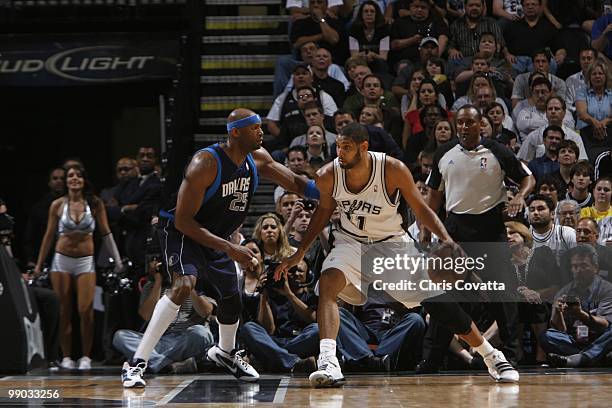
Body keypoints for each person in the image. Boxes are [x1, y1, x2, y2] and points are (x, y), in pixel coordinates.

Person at [276, 121, 519, 387]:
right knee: (328, 282)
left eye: (346, 148)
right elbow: (323, 213)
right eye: (338, 147)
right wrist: (299, 252)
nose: (340, 153)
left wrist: (446, 239)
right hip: (351, 242)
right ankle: (328, 362)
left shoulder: (392, 170)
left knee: (437, 302)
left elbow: (422, 208)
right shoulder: (328, 174)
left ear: (364, 147)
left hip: (391, 243)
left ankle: (491, 355)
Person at [120, 109, 320, 388]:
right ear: (236, 132)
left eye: (262, 127)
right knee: (183, 286)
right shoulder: (205, 163)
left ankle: (225, 352)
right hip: (181, 232)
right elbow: (183, 220)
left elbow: (297, 182)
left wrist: (331, 192)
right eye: (255, 128)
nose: (262, 132)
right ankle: (136, 364)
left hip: (218, 236)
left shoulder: (258, 159)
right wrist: (230, 247)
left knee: (232, 300)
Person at [423, 104, 533, 379]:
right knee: (446, 296)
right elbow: (434, 196)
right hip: (455, 229)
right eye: (459, 123)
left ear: (480, 124)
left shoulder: (498, 151)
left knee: (502, 293)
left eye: (469, 123)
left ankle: (510, 355)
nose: (463, 127)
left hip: (490, 227)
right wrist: (427, 229)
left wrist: (520, 196)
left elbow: (528, 177)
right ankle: (432, 358)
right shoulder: (443, 153)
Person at [35, 164, 123, 370]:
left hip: (85, 260)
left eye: (78, 176)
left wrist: (118, 261)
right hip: (61, 260)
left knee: (85, 310)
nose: (74, 179)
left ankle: (85, 356)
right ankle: (66, 356)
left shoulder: (94, 203)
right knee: (64, 309)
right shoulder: (57, 205)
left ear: (84, 180)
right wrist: (39, 264)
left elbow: (106, 233)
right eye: (70, 176)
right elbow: (48, 236)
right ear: (66, 181)